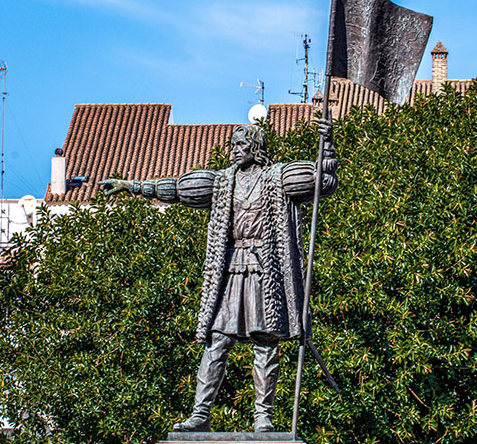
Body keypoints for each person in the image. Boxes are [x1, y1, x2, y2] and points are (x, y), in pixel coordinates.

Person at [101, 119, 337, 432]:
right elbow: (177, 189)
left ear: (256, 147)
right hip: (230, 269)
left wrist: (327, 144)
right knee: (217, 341)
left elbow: (323, 181)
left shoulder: (277, 177)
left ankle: (263, 417)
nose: (234, 151)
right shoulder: (222, 182)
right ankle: (200, 414)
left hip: (265, 271)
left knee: (265, 342)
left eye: (241, 145)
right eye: (232, 145)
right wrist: (132, 186)